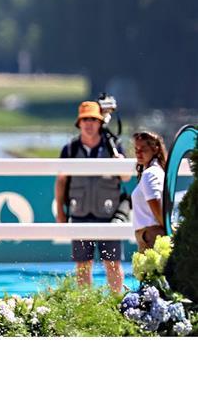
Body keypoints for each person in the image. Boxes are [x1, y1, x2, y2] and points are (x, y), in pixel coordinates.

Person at [54, 100, 126, 292]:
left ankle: (116, 302)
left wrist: (120, 162)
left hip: (109, 215)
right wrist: (61, 212)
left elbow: (126, 177)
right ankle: (85, 306)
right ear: (79, 123)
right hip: (80, 213)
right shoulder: (70, 149)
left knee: (113, 263)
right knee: (83, 265)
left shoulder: (114, 147)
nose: (89, 123)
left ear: (100, 122)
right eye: (85, 119)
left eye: (93, 119)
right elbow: (61, 181)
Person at [131, 130, 169, 251]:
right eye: (136, 149)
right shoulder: (156, 172)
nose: (138, 152)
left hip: (151, 236)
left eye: (143, 148)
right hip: (150, 236)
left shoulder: (150, 174)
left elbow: (158, 211)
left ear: (155, 149)